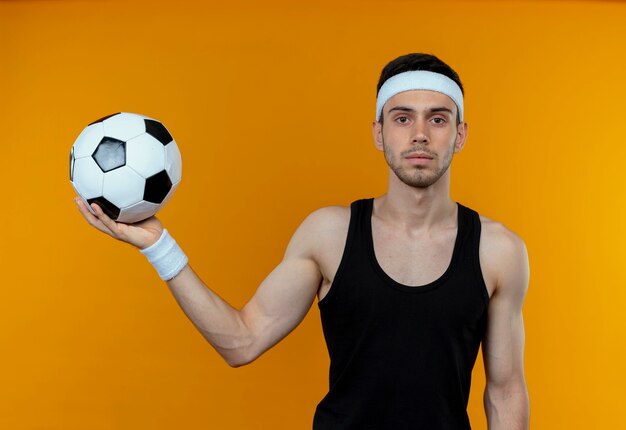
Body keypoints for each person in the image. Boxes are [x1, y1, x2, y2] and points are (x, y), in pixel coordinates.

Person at [75, 53, 530, 429]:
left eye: (438, 118)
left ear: (460, 134)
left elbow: (505, 391)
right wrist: (159, 245)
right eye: (402, 117)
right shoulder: (329, 233)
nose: (419, 134)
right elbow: (242, 341)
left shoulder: (497, 251)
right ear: (378, 132)